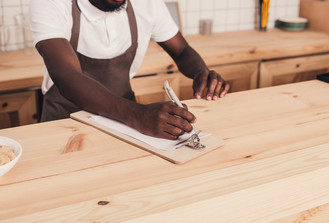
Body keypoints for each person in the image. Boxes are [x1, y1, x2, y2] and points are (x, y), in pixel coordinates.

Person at [29, 0, 230, 140]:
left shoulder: (146, 3)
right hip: (64, 121)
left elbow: (182, 50)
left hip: (124, 121)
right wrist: (137, 115)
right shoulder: (51, 2)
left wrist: (201, 72)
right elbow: (66, 75)